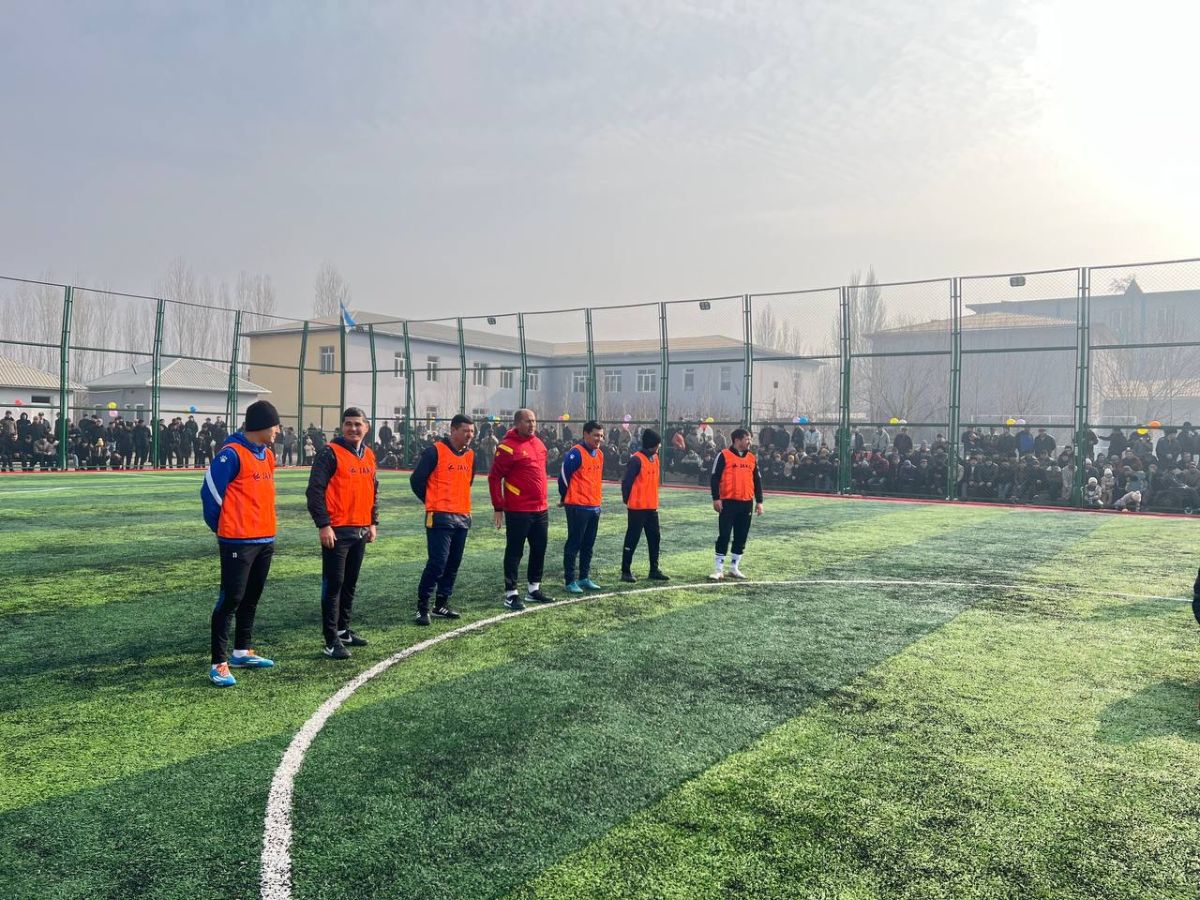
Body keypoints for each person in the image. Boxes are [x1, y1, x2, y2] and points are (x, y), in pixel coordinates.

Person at [200, 400, 281, 687]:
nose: (277, 430)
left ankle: (242, 652)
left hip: (264, 538)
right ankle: (218, 663)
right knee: (230, 600)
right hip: (238, 541)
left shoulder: (267, 455)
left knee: (251, 597)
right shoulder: (231, 454)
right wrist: (223, 528)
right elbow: (210, 494)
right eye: (274, 425)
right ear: (261, 426)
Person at [306, 407, 379, 659]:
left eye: (358, 424)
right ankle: (330, 640)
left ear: (366, 427)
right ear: (342, 426)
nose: (353, 428)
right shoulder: (329, 453)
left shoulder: (369, 454)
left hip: (360, 529)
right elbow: (314, 491)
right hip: (336, 530)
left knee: (349, 583)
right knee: (333, 585)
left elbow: (373, 489)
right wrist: (323, 524)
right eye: (348, 424)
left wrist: (372, 522)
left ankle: (343, 630)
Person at [410, 413, 476, 626]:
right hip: (439, 516)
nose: (469, 435)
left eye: (472, 431)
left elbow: (468, 482)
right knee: (438, 562)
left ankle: (441, 604)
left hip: (462, 516)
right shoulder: (434, 451)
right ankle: (422, 607)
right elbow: (416, 480)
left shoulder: (470, 455)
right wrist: (432, 500)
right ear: (453, 430)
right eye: (465, 431)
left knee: (453, 563)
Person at [488, 408, 555, 610]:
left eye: (534, 420)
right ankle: (511, 594)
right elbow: (494, 477)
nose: (532, 424)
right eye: (527, 421)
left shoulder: (539, 444)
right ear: (517, 423)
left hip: (540, 508)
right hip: (518, 509)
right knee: (515, 551)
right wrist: (498, 506)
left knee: (539, 548)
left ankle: (534, 589)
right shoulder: (506, 448)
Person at [708, 427, 763, 581]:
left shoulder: (751, 457)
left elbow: (757, 480)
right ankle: (718, 569)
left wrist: (759, 501)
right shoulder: (724, 455)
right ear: (737, 440)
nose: (749, 442)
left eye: (750, 439)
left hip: (746, 503)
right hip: (728, 502)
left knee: (741, 536)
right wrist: (716, 498)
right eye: (747, 439)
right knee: (724, 535)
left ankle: (734, 567)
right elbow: (714, 478)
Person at [559, 420, 605, 593]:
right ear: (585, 434)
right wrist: (565, 497)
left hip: (594, 507)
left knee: (588, 544)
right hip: (577, 507)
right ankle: (570, 580)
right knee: (574, 543)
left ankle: (584, 577)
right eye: (595, 435)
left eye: (601, 436)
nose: (599, 439)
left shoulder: (600, 454)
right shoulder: (575, 453)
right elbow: (563, 478)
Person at [620, 428, 669, 583]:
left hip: (651, 507)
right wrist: (628, 500)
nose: (659, 446)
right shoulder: (636, 460)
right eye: (658, 444)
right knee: (632, 538)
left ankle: (654, 569)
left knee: (655, 538)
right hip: (637, 508)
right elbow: (626, 482)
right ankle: (625, 571)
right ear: (653, 444)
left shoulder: (655, 457)